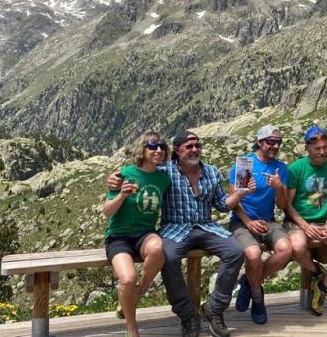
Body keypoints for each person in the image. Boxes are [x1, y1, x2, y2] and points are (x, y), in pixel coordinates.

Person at [108, 131, 254, 337]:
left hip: (206, 226)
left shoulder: (211, 172)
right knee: (168, 257)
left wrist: (240, 193)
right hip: (175, 228)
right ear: (177, 150)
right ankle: (188, 316)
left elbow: (223, 205)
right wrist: (113, 179)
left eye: (197, 145)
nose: (195, 149)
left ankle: (214, 309)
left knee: (236, 252)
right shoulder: (164, 172)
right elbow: (140, 170)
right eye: (189, 146)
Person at [103, 131, 170, 337]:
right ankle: (132, 329)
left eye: (161, 147)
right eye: (152, 146)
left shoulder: (164, 178)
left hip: (145, 234)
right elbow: (107, 211)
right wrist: (122, 195)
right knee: (128, 279)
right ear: (142, 149)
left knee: (158, 248)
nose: (158, 150)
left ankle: (137, 295)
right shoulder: (125, 174)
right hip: (119, 236)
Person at [284, 126, 327, 316]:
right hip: (299, 222)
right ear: (307, 149)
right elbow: (287, 205)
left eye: (325, 147)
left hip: (325, 221)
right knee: (297, 247)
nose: (322, 152)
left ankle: (321, 287)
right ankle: (319, 273)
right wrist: (305, 227)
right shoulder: (296, 169)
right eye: (317, 149)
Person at [228, 125, 293, 324]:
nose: (275, 146)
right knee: (253, 254)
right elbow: (234, 200)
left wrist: (279, 187)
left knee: (286, 249)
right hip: (242, 221)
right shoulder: (246, 164)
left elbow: (282, 205)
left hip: (268, 220)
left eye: (278, 142)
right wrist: (248, 222)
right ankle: (257, 298)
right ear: (260, 142)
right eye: (271, 142)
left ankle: (249, 281)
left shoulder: (280, 168)